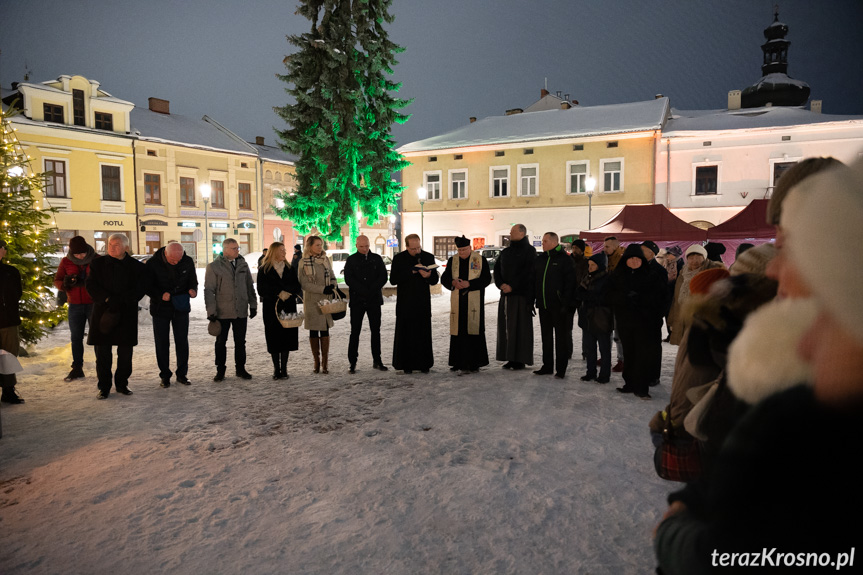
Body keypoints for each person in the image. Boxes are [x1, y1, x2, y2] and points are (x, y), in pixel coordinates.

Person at [654, 159, 863, 575]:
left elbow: (736, 550)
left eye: (789, 246)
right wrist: (698, 496)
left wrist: (672, 534)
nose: (772, 266)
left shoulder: (802, 416)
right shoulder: (788, 382)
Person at [85, 234, 147, 399]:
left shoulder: (136, 267)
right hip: (103, 313)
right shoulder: (98, 263)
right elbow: (91, 285)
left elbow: (140, 288)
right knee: (103, 353)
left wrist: (123, 300)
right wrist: (107, 299)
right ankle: (104, 387)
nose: (112, 247)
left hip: (126, 313)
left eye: (117, 245)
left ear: (126, 247)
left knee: (125, 353)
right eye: (110, 244)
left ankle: (122, 384)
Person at [607, 244, 665, 399]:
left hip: (644, 323)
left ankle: (642, 387)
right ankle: (629, 383)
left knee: (642, 354)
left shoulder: (651, 275)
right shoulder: (617, 275)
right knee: (629, 352)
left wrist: (640, 299)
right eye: (630, 258)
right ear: (625, 260)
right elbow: (609, 295)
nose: (634, 261)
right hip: (625, 322)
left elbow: (658, 298)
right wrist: (624, 298)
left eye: (637, 258)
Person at [204, 238, 257, 381]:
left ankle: (241, 368)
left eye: (238, 248)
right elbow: (209, 290)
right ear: (225, 249)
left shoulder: (243, 264)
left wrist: (253, 305)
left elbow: (249, 286)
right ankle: (220, 370)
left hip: (240, 310)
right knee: (221, 342)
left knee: (240, 342)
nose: (237, 250)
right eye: (234, 248)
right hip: (222, 311)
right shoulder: (214, 266)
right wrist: (211, 311)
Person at [146, 242, 198, 388]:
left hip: (180, 306)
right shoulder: (153, 263)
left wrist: (193, 290)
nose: (176, 262)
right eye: (172, 260)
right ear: (165, 254)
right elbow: (147, 285)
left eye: (178, 260)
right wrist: (160, 295)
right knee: (162, 343)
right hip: (160, 308)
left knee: (182, 341)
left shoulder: (186, 261)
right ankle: (165, 375)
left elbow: (193, 280)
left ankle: (182, 374)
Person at [442, 235, 491, 374]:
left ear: (470, 248)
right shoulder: (453, 260)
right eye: (460, 250)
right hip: (458, 302)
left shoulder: (480, 259)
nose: (462, 252)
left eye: (464, 249)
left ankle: (474, 362)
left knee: (474, 330)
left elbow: (486, 278)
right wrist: (453, 282)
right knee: (458, 330)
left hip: (474, 301)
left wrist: (469, 283)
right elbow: (445, 277)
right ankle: (457, 361)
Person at [390, 233, 439, 374]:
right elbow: (393, 279)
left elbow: (435, 279)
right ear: (406, 247)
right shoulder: (399, 258)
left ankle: (424, 364)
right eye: (413, 249)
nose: (417, 251)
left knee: (423, 334)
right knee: (406, 335)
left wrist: (429, 275)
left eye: (418, 247)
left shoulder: (428, 257)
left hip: (422, 303)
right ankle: (406, 364)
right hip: (405, 303)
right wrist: (411, 271)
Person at [54, 236, 97, 382]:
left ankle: (101, 366)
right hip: (75, 305)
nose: (80, 256)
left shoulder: (96, 259)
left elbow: (104, 279)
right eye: (77, 254)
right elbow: (57, 280)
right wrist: (65, 284)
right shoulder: (66, 261)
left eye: (82, 253)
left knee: (97, 336)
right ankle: (77, 368)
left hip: (93, 303)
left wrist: (88, 282)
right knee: (76, 337)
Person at [343, 234, 389, 373]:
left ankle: (377, 359)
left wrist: (372, 289)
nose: (365, 249)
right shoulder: (351, 260)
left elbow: (383, 276)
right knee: (355, 332)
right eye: (362, 246)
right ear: (356, 246)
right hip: (357, 301)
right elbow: (348, 279)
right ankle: (352, 362)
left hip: (374, 300)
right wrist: (363, 290)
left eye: (367, 246)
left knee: (376, 331)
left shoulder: (376, 258)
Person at [256, 242, 302, 380]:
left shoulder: (290, 268)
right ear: (274, 252)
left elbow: (296, 286)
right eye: (281, 250)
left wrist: (289, 292)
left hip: (288, 306)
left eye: (285, 249)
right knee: (274, 337)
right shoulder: (264, 269)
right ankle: (276, 369)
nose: (285, 252)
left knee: (287, 337)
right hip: (272, 308)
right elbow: (261, 289)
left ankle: (284, 368)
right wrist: (278, 292)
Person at [494, 224, 536, 370]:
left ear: (522, 233)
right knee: (506, 327)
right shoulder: (506, 251)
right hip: (505, 294)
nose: (510, 233)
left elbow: (528, 274)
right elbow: (497, 269)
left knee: (520, 328)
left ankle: (520, 359)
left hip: (521, 295)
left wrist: (512, 286)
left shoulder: (530, 251)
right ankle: (509, 357)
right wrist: (501, 284)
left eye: (512, 231)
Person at [534, 232, 575, 379]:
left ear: (553, 242)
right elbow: (535, 281)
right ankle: (547, 365)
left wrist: (566, 303)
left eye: (545, 241)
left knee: (561, 338)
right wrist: (533, 300)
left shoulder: (565, 259)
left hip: (559, 306)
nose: (542, 243)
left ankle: (561, 368)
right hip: (544, 304)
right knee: (546, 337)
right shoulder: (541, 259)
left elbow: (570, 284)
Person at [667, 244, 724, 345]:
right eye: (691, 258)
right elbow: (676, 299)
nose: (694, 261)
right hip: (683, 315)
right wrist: (671, 320)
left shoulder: (711, 272)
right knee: (685, 347)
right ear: (687, 259)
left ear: (704, 258)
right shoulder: (682, 273)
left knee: (700, 346)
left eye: (698, 257)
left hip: (702, 317)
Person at [298, 235, 338, 374]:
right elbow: (304, 283)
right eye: (317, 245)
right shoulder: (303, 262)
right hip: (312, 301)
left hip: (326, 300)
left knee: (325, 329)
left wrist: (333, 286)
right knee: (314, 330)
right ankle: (316, 361)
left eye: (321, 245)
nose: (320, 247)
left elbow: (332, 275)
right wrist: (322, 288)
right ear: (309, 247)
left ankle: (325, 362)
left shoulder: (325, 259)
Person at [577, 251, 612, 383]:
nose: (590, 267)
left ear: (600, 265)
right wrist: (588, 296)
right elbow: (579, 292)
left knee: (604, 348)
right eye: (589, 264)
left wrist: (588, 296)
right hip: (587, 317)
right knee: (589, 347)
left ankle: (604, 375)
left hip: (601, 318)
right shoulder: (588, 277)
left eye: (593, 265)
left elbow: (603, 297)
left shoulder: (607, 279)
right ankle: (590, 372)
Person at [0, 239, 24, 404]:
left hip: (8, 320)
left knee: (8, 356)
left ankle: (8, 391)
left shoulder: (11, 271)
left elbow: (18, 293)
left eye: (1, 248)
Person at [641, 240, 668, 386]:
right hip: (640, 315)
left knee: (653, 347)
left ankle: (653, 375)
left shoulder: (659, 271)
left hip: (652, 315)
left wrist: (658, 314)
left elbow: (663, 295)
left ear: (651, 253)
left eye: (643, 250)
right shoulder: (639, 268)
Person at [603, 236, 626, 372]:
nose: (604, 249)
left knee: (619, 333)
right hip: (607, 302)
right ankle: (606, 357)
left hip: (618, 302)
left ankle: (621, 359)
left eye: (607, 246)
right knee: (606, 331)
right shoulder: (606, 259)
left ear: (615, 247)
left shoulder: (622, 260)